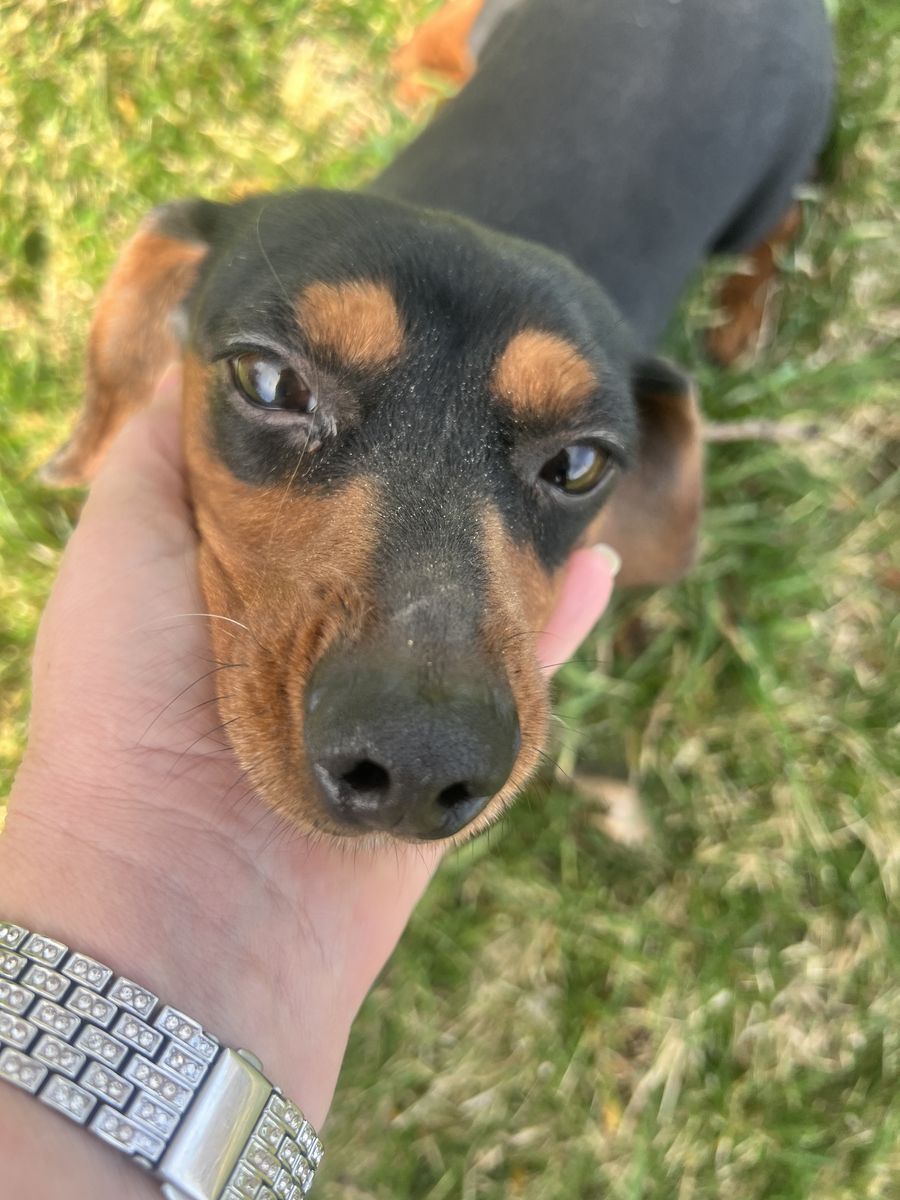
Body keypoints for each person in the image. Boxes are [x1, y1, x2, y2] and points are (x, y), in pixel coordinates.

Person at [0, 1, 832, 1194]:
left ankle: (761, 242)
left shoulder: (773, 74)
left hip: (768, 62)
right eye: (279, 386)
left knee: (763, 208)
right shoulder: (272, 257)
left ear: (648, 458)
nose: (422, 731)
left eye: (568, 463)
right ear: (159, 302)